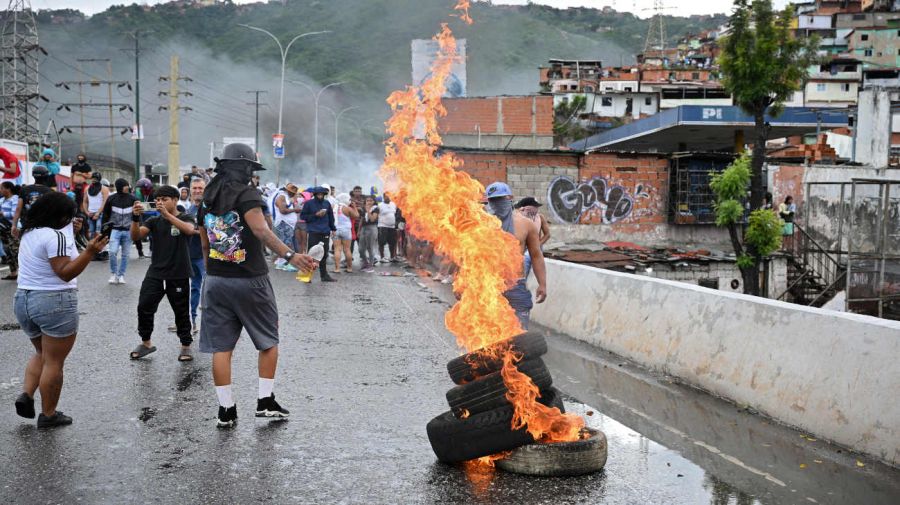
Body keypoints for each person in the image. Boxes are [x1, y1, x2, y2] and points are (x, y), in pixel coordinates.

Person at [198, 143, 316, 428]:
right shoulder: (247, 194)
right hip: (249, 279)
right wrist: (291, 255)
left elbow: (204, 242)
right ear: (246, 168)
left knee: (221, 347)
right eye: (251, 168)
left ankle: (226, 410)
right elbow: (261, 229)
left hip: (215, 279)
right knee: (268, 340)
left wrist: (212, 272)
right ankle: (265, 402)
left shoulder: (207, 197)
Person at [13, 192, 107, 428]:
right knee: (54, 361)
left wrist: (72, 235)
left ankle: (27, 394)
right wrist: (90, 252)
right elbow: (65, 273)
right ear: (61, 215)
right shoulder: (56, 237)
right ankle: (49, 414)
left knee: (42, 353)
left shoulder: (30, 233)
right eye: (70, 215)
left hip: (24, 299)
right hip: (53, 301)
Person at [129, 185, 197, 362]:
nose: (160, 203)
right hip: (156, 273)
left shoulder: (186, 217)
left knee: (181, 311)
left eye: (164, 199)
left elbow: (189, 230)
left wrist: (168, 215)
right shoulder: (153, 221)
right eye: (157, 200)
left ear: (175, 200)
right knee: (144, 306)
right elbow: (136, 236)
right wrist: (135, 218)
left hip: (178, 273)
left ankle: (185, 346)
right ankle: (146, 343)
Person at [485, 182, 547, 329]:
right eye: (493, 200)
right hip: (489, 284)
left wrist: (542, 284)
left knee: (519, 332)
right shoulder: (482, 225)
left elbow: (536, 255)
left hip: (515, 284)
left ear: (510, 198)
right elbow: (470, 254)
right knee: (490, 331)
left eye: (501, 199)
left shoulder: (525, 225)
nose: (497, 203)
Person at [102, 179, 138, 284]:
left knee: (125, 255)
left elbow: (138, 215)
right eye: (126, 185)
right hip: (115, 230)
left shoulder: (133, 199)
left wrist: (137, 229)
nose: (128, 187)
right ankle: (113, 274)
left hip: (128, 230)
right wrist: (104, 231)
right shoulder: (111, 199)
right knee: (112, 252)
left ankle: (121, 275)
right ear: (120, 186)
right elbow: (106, 215)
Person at [300, 186, 336, 282]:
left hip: (325, 231)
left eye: (322, 194)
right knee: (311, 255)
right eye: (318, 194)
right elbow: (303, 216)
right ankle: (306, 276)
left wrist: (333, 228)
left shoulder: (327, 203)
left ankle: (324, 275)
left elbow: (331, 217)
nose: (320, 196)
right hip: (313, 232)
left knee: (324, 254)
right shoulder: (308, 204)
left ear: (324, 195)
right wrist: (315, 215)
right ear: (315, 195)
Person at [185, 177, 206, 332]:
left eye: (200, 188)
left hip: (204, 256)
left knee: (203, 288)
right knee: (188, 288)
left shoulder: (210, 210)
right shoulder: (188, 210)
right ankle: (189, 320)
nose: (197, 191)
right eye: (195, 188)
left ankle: (199, 321)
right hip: (187, 256)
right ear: (190, 190)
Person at [514, 196, 550, 278]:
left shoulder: (540, 217)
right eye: (535, 206)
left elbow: (547, 234)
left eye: (537, 207)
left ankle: (522, 281)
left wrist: (538, 244)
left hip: (535, 247)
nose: (536, 209)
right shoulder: (519, 217)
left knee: (526, 259)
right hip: (522, 248)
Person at [271, 182, 301, 271]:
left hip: (286, 224)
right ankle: (289, 263)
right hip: (284, 223)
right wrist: (295, 209)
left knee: (284, 243)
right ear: (289, 191)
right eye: (293, 193)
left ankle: (281, 262)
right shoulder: (282, 197)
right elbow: (283, 210)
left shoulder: (286, 197)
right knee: (287, 245)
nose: (293, 194)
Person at [332, 193, 359, 274]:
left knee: (337, 249)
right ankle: (349, 268)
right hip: (346, 231)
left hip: (335, 230)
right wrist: (354, 207)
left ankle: (337, 269)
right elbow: (356, 216)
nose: (349, 201)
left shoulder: (333, 207)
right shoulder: (347, 208)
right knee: (347, 250)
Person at [1, 182, 20, 276]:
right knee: (7, 250)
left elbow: (14, 214)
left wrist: (2, 214)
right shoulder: (2, 200)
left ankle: (23, 272)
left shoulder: (15, 199)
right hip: (3, 228)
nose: (0, 190)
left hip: (12, 227)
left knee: (15, 250)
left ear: (8, 189)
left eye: (1, 188)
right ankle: (13, 272)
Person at [84, 172, 109, 239]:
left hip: (100, 214)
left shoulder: (104, 189)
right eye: (93, 178)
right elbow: (85, 202)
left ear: (99, 179)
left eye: (96, 178)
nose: (94, 180)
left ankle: (100, 247)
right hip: (90, 213)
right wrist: (87, 212)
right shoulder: (87, 188)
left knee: (98, 232)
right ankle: (92, 247)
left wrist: (98, 213)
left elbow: (105, 202)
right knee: (91, 232)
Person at [358, 195, 379, 272]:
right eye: (367, 200)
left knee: (370, 248)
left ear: (374, 201)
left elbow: (372, 219)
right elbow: (361, 219)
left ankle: (370, 266)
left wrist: (368, 211)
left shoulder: (376, 209)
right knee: (360, 249)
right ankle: (365, 262)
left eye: (371, 200)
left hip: (372, 228)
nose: (369, 202)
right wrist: (359, 231)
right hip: (363, 228)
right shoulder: (363, 208)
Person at [377, 192, 398, 263]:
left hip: (392, 227)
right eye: (386, 196)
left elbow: (395, 214)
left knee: (392, 242)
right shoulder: (380, 205)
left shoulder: (393, 204)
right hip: (383, 226)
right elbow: (376, 215)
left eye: (389, 196)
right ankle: (382, 257)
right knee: (381, 242)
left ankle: (392, 257)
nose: (388, 198)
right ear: (383, 197)